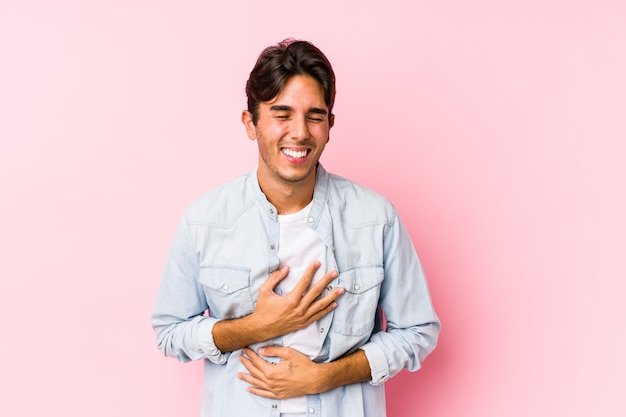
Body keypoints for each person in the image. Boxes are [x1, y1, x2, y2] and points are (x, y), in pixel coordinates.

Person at [151, 38, 440, 417]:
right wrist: (253, 327)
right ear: (251, 123)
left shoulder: (375, 218)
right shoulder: (204, 221)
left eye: (315, 116)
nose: (300, 132)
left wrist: (326, 377)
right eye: (282, 114)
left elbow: (418, 331)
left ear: (330, 125)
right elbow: (169, 331)